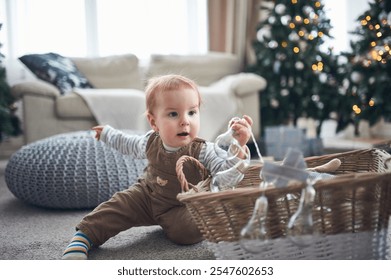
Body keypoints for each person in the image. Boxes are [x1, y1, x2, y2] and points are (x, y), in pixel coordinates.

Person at [62, 74, 253, 260]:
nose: (185, 120)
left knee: (187, 231)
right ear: (154, 122)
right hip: (146, 196)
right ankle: (83, 238)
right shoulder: (150, 141)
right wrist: (107, 134)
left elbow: (225, 176)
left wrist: (238, 151)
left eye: (192, 112)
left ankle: (208, 218)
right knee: (116, 206)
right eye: (173, 114)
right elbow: (127, 142)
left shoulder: (203, 150)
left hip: (180, 207)